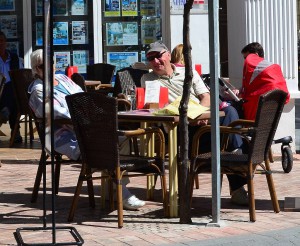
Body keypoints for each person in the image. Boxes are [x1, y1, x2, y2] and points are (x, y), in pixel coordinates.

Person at [28, 49, 145, 210]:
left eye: (51, 63)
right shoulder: (38, 90)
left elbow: (84, 97)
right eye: (42, 65)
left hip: (88, 129)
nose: (49, 67)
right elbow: (59, 113)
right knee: (105, 146)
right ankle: (122, 194)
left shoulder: (63, 78)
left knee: (123, 139)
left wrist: (92, 114)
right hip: (62, 136)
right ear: (36, 69)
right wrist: (88, 116)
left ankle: (113, 187)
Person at [141, 41, 248, 205]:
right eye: (150, 58)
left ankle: (234, 153)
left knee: (230, 112)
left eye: (158, 56)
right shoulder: (148, 79)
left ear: (168, 55)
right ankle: (237, 174)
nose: (155, 62)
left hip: (202, 124)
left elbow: (206, 97)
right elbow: (157, 108)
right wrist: (192, 118)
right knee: (226, 143)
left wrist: (199, 113)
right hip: (178, 130)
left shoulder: (188, 72)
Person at [239, 42, 290, 120]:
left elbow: (250, 99)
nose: (245, 61)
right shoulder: (269, 78)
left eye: (246, 57)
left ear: (255, 55)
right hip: (266, 126)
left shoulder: (259, 92)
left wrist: (240, 95)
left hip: (250, 124)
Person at [0, 31, 24, 143]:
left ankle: (5, 112)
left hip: (11, 91)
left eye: (1, 41)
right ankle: (16, 132)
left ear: (5, 43)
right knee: (10, 93)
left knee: (12, 90)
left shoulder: (14, 58)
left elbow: (20, 76)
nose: (0, 44)